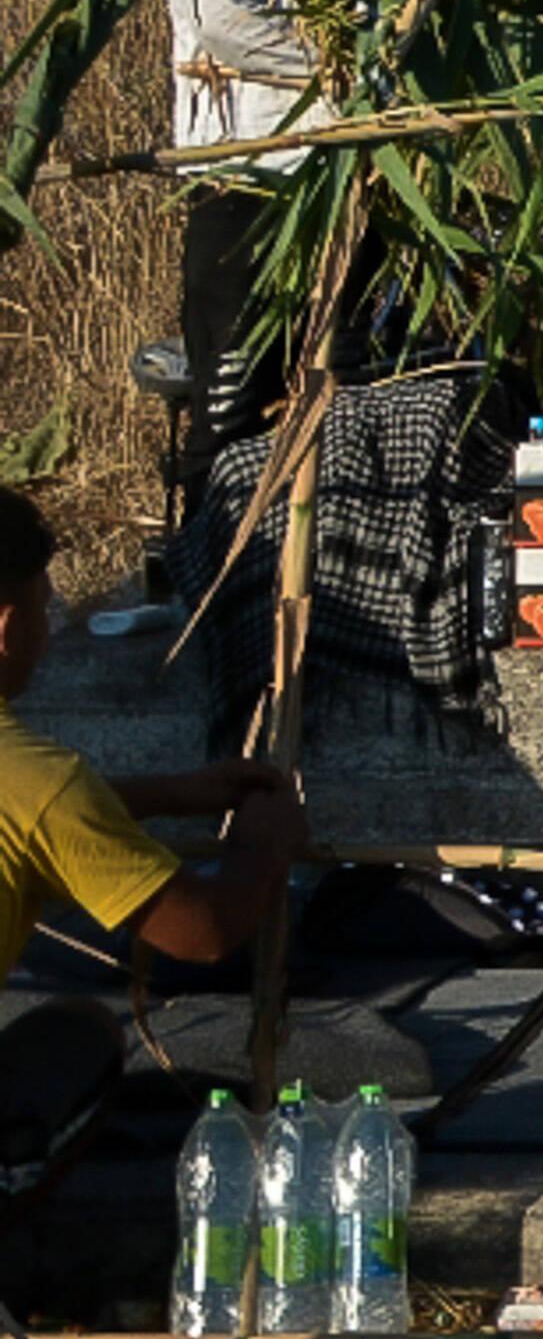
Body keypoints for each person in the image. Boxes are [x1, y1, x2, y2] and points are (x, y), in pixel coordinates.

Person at [148, 0, 426, 588]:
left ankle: (338, 582)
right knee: (230, 398)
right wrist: (344, 68)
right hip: (247, 166)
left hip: (354, 174)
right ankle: (213, 585)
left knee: (351, 384)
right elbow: (221, 20)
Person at [0, 484, 306, 1192]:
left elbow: (40, 823)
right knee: (81, 1037)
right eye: (46, 605)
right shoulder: (38, 782)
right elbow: (202, 931)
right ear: (8, 625)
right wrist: (264, 844)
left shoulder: (40, 791)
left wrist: (171, 794)